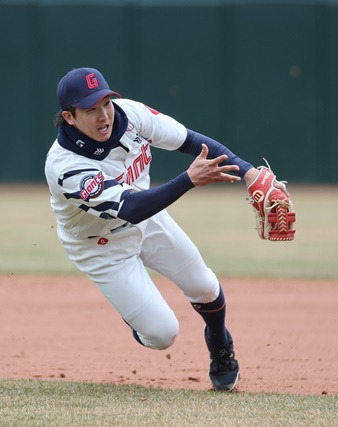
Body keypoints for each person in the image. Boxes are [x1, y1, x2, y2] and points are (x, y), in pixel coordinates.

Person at [44, 67, 283, 391]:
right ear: (69, 117)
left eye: (106, 104)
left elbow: (191, 141)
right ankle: (135, 314)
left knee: (204, 285)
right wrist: (188, 180)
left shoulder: (132, 116)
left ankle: (220, 343)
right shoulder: (65, 166)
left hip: (148, 215)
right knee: (162, 335)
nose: (104, 116)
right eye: (90, 109)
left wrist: (248, 172)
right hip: (100, 245)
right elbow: (129, 207)